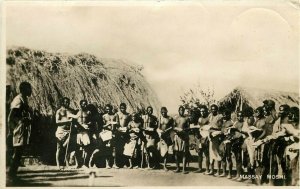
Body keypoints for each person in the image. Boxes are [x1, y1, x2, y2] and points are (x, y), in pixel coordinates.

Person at [7, 82, 32, 183]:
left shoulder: (24, 98)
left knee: (19, 152)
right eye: (29, 88)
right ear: (24, 89)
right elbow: (12, 116)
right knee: (17, 152)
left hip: (22, 128)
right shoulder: (18, 99)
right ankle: (11, 176)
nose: (31, 91)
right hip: (19, 129)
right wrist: (12, 129)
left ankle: (13, 175)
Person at [55, 97, 76, 170]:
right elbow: (57, 122)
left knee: (67, 147)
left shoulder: (70, 111)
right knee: (59, 148)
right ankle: (58, 165)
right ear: (63, 102)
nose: (67, 103)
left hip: (68, 131)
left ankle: (67, 164)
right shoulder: (59, 111)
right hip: (61, 131)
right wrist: (67, 121)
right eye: (65, 102)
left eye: (68, 102)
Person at [173, 106, 190, 174]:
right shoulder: (176, 118)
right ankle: (177, 167)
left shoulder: (186, 119)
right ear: (178, 111)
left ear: (184, 111)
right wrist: (176, 130)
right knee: (176, 153)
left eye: (182, 110)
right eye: (180, 110)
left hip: (184, 137)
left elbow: (188, 128)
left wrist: (183, 130)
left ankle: (184, 169)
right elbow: (173, 127)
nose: (181, 111)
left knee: (184, 153)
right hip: (177, 137)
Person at [207, 104, 223, 176]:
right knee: (211, 153)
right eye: (212, 109)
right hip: (211, 136)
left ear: (217, 110)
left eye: (214, 109)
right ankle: (212, 170)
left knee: (217, 153)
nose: (213, 110)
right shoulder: (210, 116)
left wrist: (212, 130)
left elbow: (220, 128)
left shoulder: (219, 117)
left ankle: (219, 171)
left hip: (216, 136)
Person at [102, 104, 119, 169]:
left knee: (114, 149)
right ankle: (107, 164)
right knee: (107, 149)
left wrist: (113, 123)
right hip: (107, 133)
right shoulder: (104, 116)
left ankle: (114, 164)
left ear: (111, 109)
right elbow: (102, 126)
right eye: (107, 109)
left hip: (113, 133)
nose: (108, 110)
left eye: (109, 109)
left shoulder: (115, 115)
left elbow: (118, 123)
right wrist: (107, 124)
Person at [194, 105, 210, 174]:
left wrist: (207, 136)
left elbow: (209, 128)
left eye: (203, 111)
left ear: (206, 111)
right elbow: (199, 128)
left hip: (207, 137)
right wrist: (198, 136)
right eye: (201, 111)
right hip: (200, 137)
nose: (202, 112)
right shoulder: (199, 119)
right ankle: (199, 168)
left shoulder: (209, 118)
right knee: (199, 153)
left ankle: (207, 169)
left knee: (207, 154)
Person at [157, 107, 174, 171]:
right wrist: (159, 131)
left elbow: (172, 127)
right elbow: (158, 127)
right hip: (161, 136)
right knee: (160, 150)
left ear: (167, 111)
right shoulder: (160, 118)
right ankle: (158, 164)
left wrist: (167, 130)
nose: (163, 113)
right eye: (162, 112)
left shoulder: (170, 118)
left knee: (166, 151)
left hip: (167, 136)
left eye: (164, 112)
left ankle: (164, 165)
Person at [219, 109, 234, 178]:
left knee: (228, 157)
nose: (224, 116)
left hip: (228, 141)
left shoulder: (231, 123)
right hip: (222, 141)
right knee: (223, 157)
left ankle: (230, 173)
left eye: (226, 114)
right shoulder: (223, 123)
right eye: (224, 114)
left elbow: (232, 133)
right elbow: (222, 132)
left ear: (229, 115)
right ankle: (224, 172)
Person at [116, 103, 131, 167]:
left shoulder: (128, 115)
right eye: (121, 108)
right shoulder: (117, 114)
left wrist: (126, 128)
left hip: (125, 132)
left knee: (125, 148)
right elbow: (116, 123)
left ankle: (125, 163)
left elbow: (129, 124)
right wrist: (118, 128)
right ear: (120, 108)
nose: (123, 109)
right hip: (119, 132)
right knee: (119, 147)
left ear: (125, 108)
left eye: (124, 108)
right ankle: (119, 163)